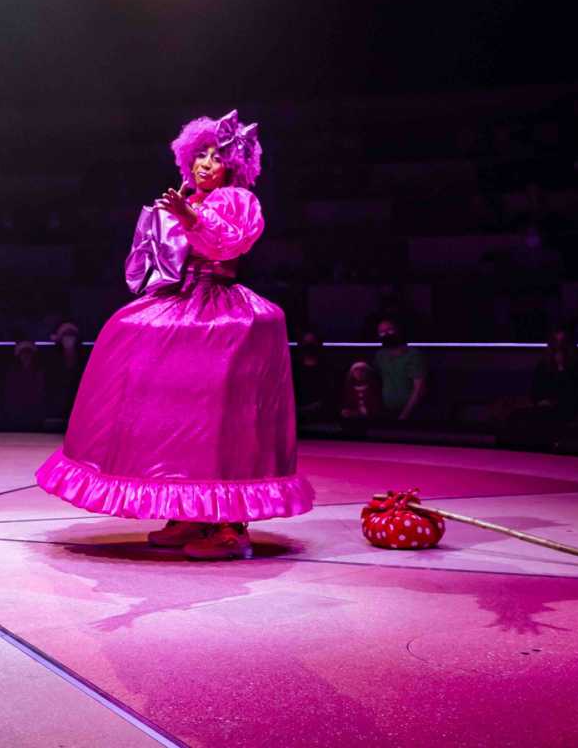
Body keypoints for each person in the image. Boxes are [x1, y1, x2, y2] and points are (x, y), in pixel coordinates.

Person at [36, 111, 313, 561]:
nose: (206, 163)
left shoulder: (237, 199)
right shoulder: (180, 197)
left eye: (216, 156)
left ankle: (227, 523)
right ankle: (187, 510)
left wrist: (190, 219)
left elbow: (230, 245)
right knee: (137, 347)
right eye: (199, 154)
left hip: (218, 303)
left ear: (233, 165)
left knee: (217, 417)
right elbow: (146, 263)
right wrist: (157, 231)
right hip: (179, 296)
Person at [373, 316, 426, 420]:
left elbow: (419, 389)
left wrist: (404, 416)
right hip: (386, 412)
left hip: (412, 414)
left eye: (390, 330)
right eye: (382, 332)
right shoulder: (380, 355)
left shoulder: (413, 355)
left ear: (398, 331)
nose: (386, 334)